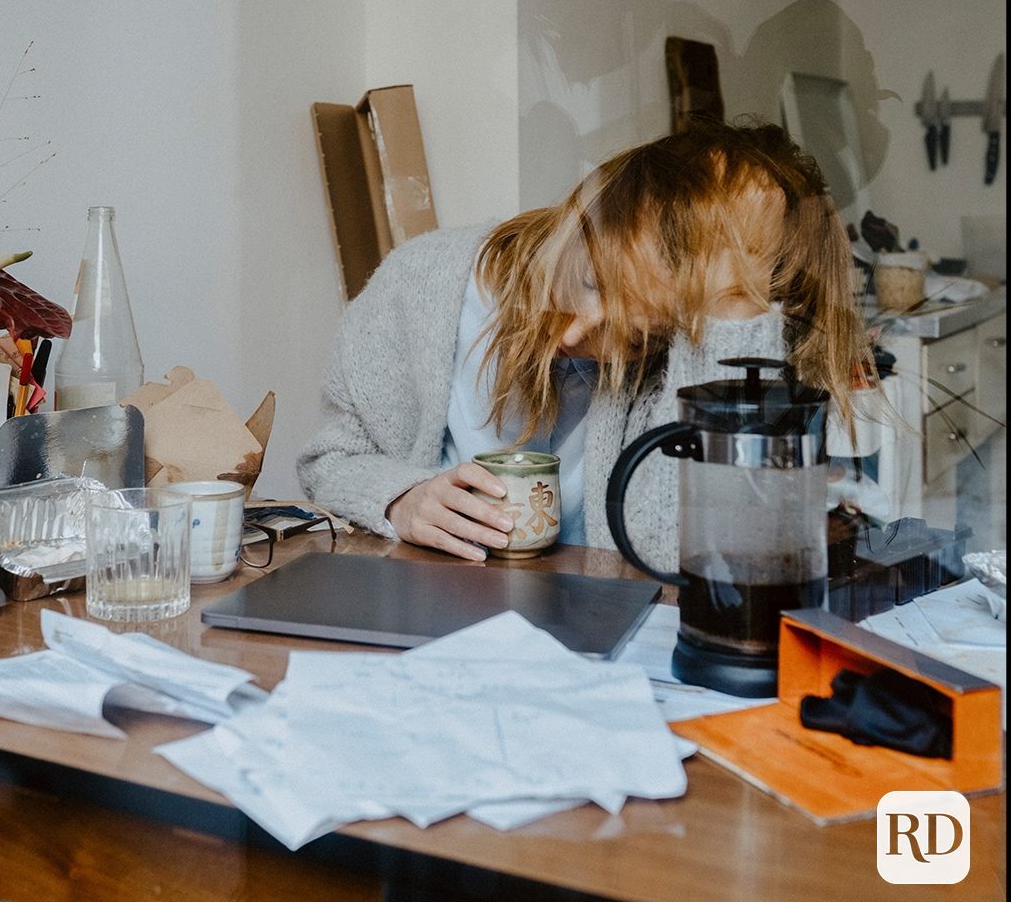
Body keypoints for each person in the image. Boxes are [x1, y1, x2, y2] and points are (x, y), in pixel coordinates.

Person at [297, 118, 870, 571]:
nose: (573, 333)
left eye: (635, 336)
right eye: (589, 281)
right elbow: (331, 461)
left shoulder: (681, 354)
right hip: (432, 612)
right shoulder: (421, 281)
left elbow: (682, 549)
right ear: (580, 218)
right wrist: (402, 499)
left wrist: (730, 316)